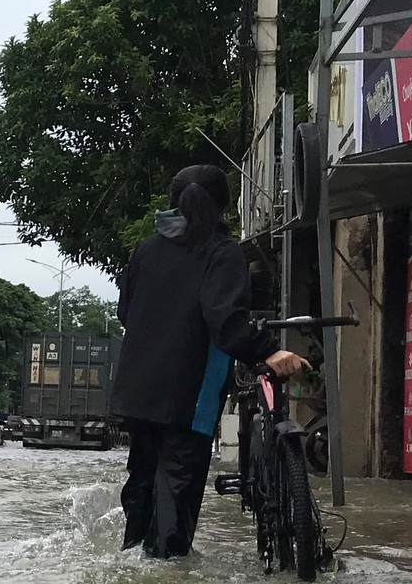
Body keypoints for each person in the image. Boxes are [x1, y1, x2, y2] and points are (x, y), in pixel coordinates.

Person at [112, 164, 308, 558]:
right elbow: (225, 321)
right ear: (224, 205)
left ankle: (131, 570)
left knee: (143, 485)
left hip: (136, 392)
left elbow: (124, 311)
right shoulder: (222, 252)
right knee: (176, 495)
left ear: (173, 202)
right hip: (188, 398)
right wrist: (268, 351)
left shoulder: (145, 249)